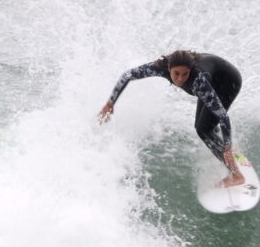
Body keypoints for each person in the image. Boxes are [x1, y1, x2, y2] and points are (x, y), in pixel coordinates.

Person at [98, 50, 245, 187]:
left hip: (227, 82)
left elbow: (223, 116)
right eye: (176, 74)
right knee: (203, 125)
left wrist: (227, 146)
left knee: (203, 129)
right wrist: (110, 103)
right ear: (169, 68)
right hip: (214, 77)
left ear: (191, 70)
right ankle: (227, 147)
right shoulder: (159, 67)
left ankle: (236, 175)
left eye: (185, 74)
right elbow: (128, 75)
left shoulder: (199, 81)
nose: (180, 79)